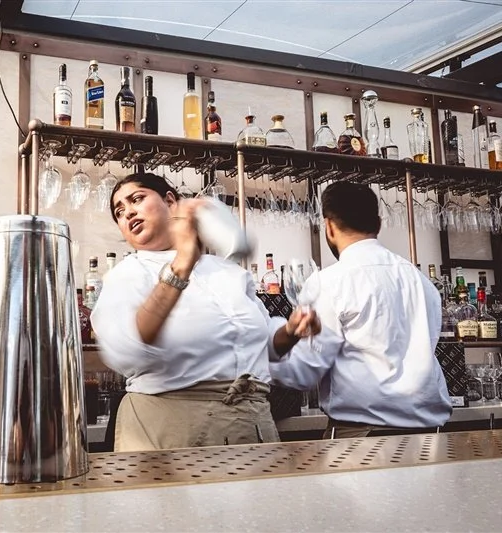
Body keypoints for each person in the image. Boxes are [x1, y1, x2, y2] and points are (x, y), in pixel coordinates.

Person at [90, 172, 319, 452]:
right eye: (119, 211)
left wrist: (291, 331)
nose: (128, 212)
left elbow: (264, 345)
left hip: (250, 424)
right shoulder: (126, 275)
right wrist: (181, 264)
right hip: (171, 430)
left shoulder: (228, 272)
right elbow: (126, 351)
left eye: (136, 199)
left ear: (170, 201)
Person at [269, 181, 452, 439]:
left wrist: (262, 354)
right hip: (432, 436)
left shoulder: (328, 283)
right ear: (378, 224)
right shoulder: (421, 281)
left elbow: (305, 372)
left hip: (363, 438)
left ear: (329, 227)